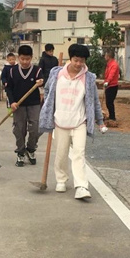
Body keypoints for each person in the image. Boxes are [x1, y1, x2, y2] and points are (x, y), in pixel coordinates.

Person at [39, 43, 104, 200]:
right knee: (61, 154)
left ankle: (81, 186)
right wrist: (48, 106)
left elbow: (94, 101)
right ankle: (61, 179)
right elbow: (47, 90)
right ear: (70, 58)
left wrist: (100, 120)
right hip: (60, 121)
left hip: (79, 122)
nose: (78, 64)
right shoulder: (57, 74)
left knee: (79, 153)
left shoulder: (89, 78)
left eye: (82, 61)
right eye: (76, 60)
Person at [6, 45, 44, 167]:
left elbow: (42, 81)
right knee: (19, 129)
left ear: (31, 58)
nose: (25, 62)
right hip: (18, 105)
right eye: (22, 59)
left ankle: (31, 149)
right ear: (18, 57)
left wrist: (41, 82)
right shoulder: (12, 71)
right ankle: (21, 152)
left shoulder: (37, 70)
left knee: (36, 128)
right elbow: (9, 88)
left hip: (34, 104)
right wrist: (12, 102)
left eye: (27, 59)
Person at [103, 49, 120, 122]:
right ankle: (111, 116)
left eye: (105, 56)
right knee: (108, 102)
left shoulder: (114, 65)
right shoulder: (109, 64)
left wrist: (107, 82)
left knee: (109, 102)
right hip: (109, 85)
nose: (104, 57)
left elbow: (111, 74)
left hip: (112, 86)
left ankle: (112, 117)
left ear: (108, 56)